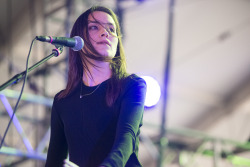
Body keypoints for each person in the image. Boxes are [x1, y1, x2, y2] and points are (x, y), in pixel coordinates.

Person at [45, 5, 147, 167]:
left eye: (112, 29)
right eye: (94, 27)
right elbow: (54, 161)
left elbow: (126, 140)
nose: (105, 33)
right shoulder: (62, 101)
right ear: (77, 40)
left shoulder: (132, 85)